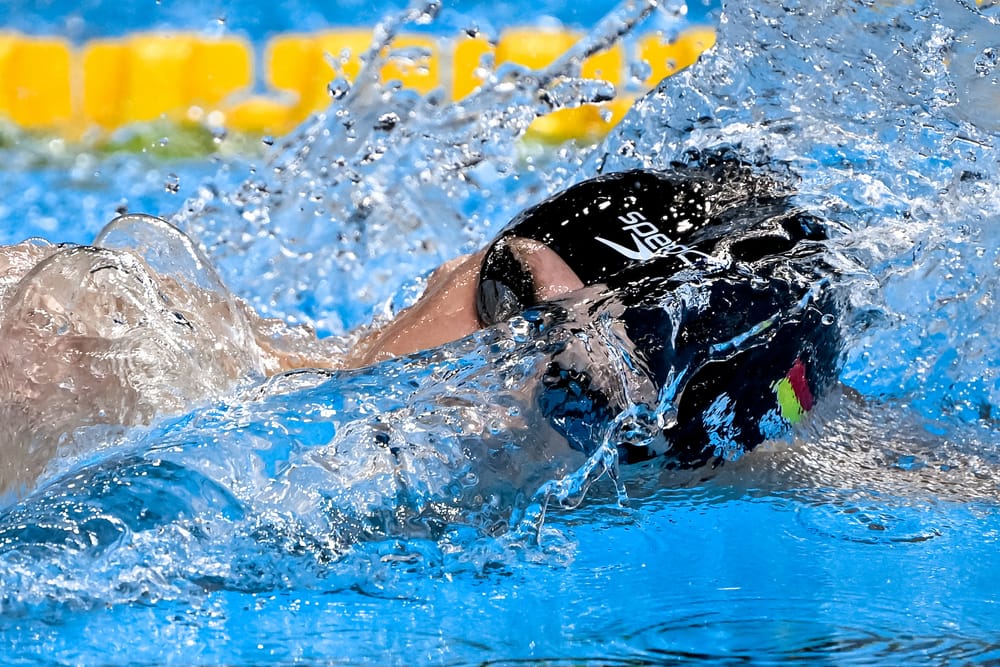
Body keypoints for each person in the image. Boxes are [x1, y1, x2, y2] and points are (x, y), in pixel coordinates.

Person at [0, 151, 840, 497]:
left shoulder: (715, 440)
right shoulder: (107, 340)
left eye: (576, 402)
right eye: (501, 296)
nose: (500, 380)